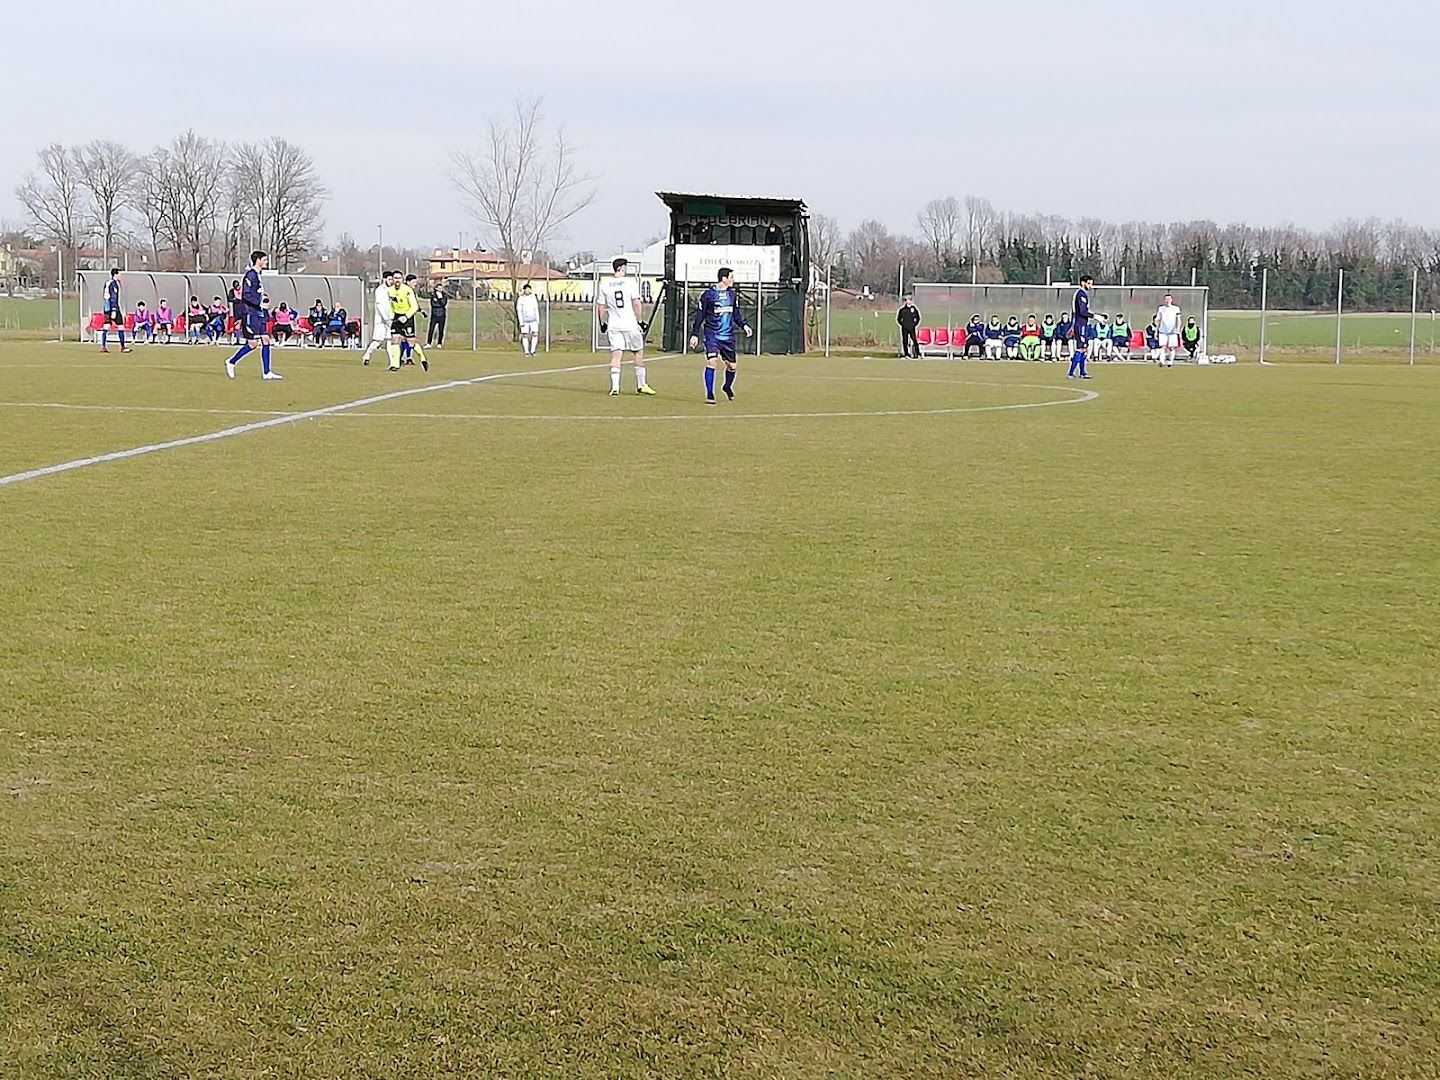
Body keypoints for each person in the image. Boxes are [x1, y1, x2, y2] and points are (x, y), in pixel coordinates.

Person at [688, 267, 751, 404]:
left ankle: (727, 387)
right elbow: (700, 316)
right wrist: (694, 334)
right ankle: (710, 394)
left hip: (727, 337)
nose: (733, 280)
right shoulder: (708, 295)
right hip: (712, 335)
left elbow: (736, 314)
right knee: (712, 362)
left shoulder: (732, 295)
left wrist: (744, 325)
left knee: (732, 366)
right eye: (731, 277)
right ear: (724, 278)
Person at [598, 257, 654, 396]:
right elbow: (637, 303)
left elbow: (600, 308)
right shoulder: (630, 283)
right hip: (629, 324)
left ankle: (615, 387)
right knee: (638, 353)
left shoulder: (605, 285)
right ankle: (642, 385)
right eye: (625, 267)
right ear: (621, 268)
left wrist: (602, 324)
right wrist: (640, 320)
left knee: (616, 355)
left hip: (614, 325)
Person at [224, 250, 282, 380]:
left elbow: (257, 293)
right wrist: (259, 304)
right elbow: (246, 295)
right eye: (265, 259)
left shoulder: (257, 275)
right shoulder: (250, 275)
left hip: (260, 314)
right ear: (258, 260)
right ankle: (231, 362)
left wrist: (264, 301)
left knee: (266, 340)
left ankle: (267, 372)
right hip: (251, 314)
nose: (266, 262)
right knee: (253, 344)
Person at [386, 273, 428, 372]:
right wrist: (391, 317)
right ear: (392, 279)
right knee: (394, 339)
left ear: (402, 279)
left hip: (407, 318)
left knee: (410, 343)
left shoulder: (408, 290)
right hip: (397, 317)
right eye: (395, 278)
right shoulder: (390, 290)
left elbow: (414, 306)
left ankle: (423, 358)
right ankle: (395, 365)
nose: (397, 280)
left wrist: (406, 316)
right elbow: (392, 305)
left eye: (399, 278)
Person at [362, 270, 396, 365]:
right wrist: (385, 319)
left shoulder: (393, 290)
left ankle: (392, 362)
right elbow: (379, 305)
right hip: (381, 320)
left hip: (391, 318)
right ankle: (367, 355)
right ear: (384, 279)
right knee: (378, 341)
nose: (391, 281)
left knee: (390, 340)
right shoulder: (380, 290)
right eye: (389, 279)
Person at [1068, 275, 1095, 379]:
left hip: (1083, 324)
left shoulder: (1083, 294)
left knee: (1084, 348)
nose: (1091, 286)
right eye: (1089, 283)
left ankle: (1083, 372)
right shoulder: (1081, 294)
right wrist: (1095, 316)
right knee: (1080, 348)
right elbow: (1082, 311)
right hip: (1079, 325)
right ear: (1083, 283)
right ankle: (1071, 373)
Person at [99, 268, 130, 353]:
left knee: (106, 326)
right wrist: (114, 309)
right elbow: (113, 297)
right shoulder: (113, 284)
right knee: (120, 326)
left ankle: (103, 346)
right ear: (115, 274)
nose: (120, 276)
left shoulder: (108, 283)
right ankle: (123, 347)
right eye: (119, 274)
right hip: (113, 307)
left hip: (106, 308)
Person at [1154, 293, 1182, 367]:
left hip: (1172, 331)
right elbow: (1157, 320)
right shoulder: (1161, 309)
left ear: (1171, 300)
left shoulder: (1176, 308)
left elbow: (1178, 319)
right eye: (1166, 299)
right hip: (1163, 330)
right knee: (1163, 346)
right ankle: (1162, 361)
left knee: (1171, 347)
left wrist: (1178, 328)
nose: (1167, 301)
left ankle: (1170, 361)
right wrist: (1156, 330)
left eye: (1169, 299)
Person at [516, 283, 540, 356]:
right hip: (525, 320)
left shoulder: (533, 297)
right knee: (525, 335)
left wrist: (538, 320)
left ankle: (533, 350)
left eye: (529, 289)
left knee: (535, 334)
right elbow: (519, 310)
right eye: (526, 289)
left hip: (533, 319)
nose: (528, 291)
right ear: (524, 290)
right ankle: (526, 351)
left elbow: (536, 309)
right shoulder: (521, 299)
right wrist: (521, 322)